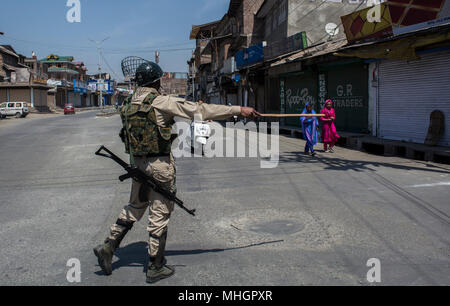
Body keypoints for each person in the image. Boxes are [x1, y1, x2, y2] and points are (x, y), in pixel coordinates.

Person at [93, 58, 259, 284]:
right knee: (159, 213)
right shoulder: (161, 101)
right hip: (159, 166)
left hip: (137, 165)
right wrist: (239, 109)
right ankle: (155, 266)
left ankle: (108, 246)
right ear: (155, 81)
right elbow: (200, 110)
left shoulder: (129, 103)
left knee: (135, 207)